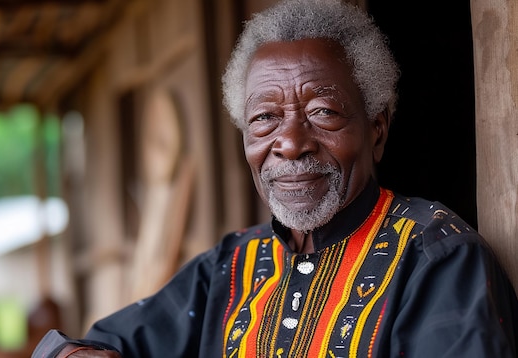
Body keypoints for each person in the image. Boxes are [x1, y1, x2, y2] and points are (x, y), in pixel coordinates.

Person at [32, 0, 518, 356]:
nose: (289, 142)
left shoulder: (437, 257)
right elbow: (92, 344)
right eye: (264, 118)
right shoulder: (228, 265)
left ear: (376, 129)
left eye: (323, 111)